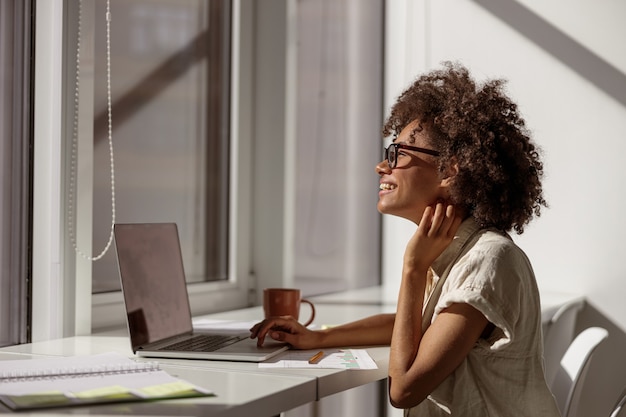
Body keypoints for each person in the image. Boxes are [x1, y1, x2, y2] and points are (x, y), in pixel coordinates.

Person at [250, 62, 560, 416]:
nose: (382, 167)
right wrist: (316, 337)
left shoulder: (488, 259)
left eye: (398, 154)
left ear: (450, 170)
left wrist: (413, 268)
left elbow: (404, 388)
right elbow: (417, 326)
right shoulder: (458, 251)